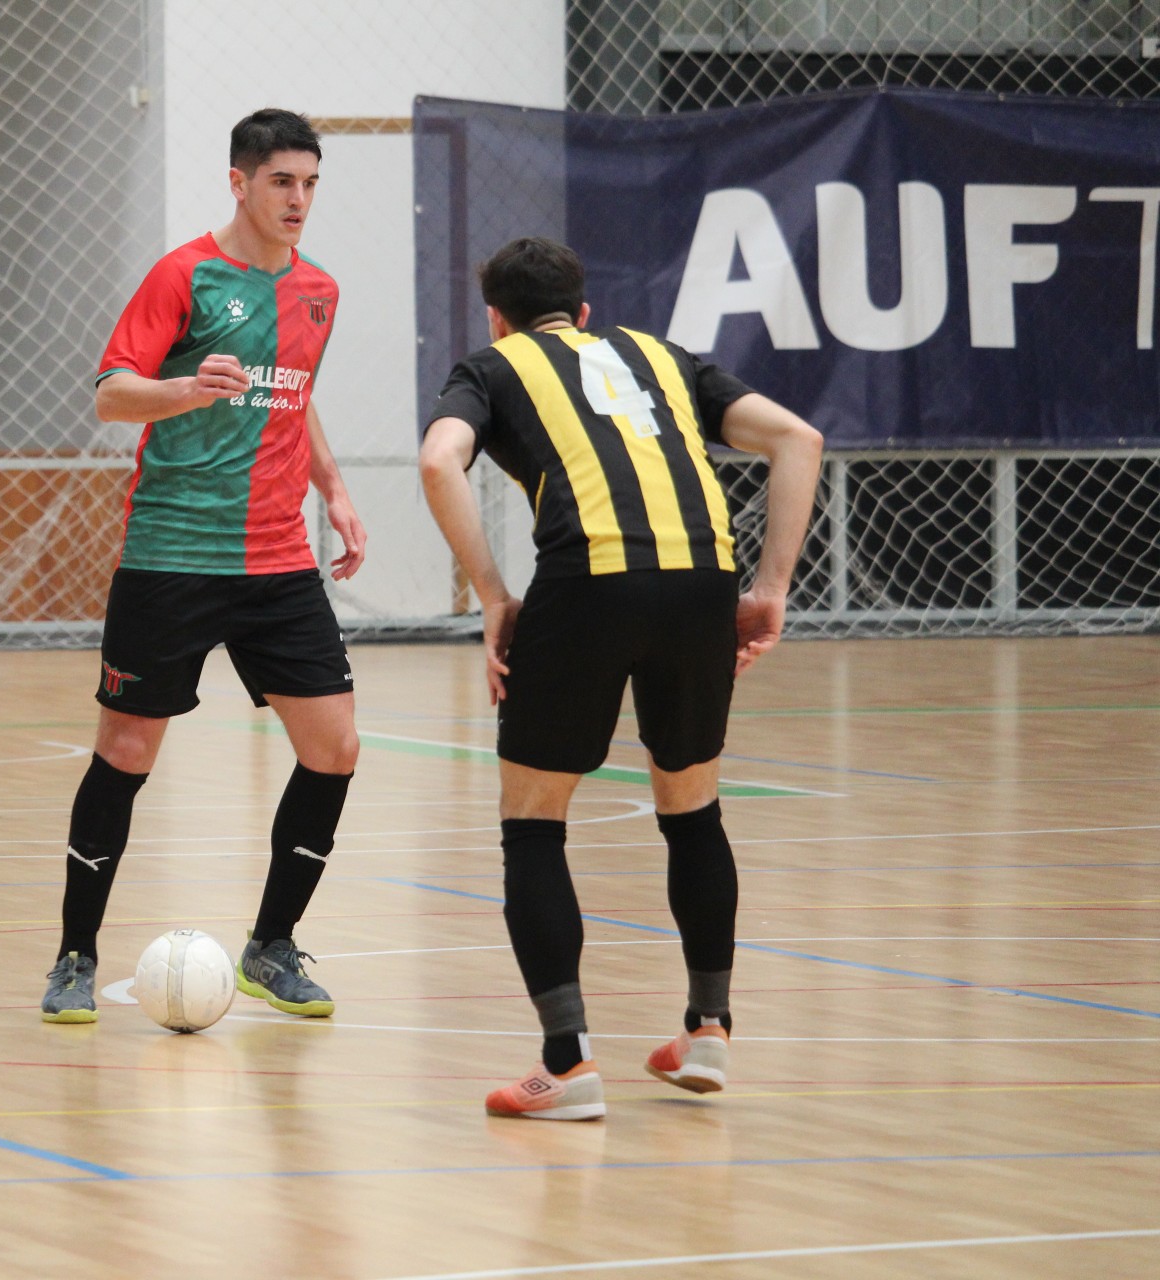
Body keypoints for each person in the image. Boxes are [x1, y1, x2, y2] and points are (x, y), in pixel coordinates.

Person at [418, 237, 822, 1119]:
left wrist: (492, 595)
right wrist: (770, 590)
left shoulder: (491, 367)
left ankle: (567, 1066)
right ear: (585, 312)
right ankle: (708, 1028)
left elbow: (438, 459)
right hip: (701, 579)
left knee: (533, 823)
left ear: (498, 316)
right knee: (693, 807)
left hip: (589, 579)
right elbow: (799, 438)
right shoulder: (660, 358)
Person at [41, 109, 367, 1024]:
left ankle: (271, 946)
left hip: (278, 562)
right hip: (172, 555)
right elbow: (111, 398)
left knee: (334, 748)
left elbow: (294, 402)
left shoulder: (320, 291)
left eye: (309, 183)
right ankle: (73, 957)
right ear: (239, 182)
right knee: (127, 751)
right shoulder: (182, 276)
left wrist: (334, 490)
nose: (298, 200)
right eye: (280, 182)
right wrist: (186, 387)